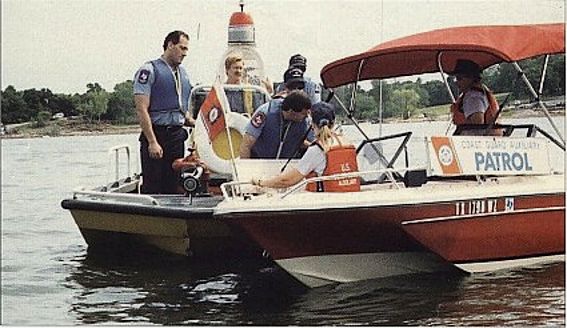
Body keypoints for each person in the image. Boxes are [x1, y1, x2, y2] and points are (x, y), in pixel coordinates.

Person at [250, 102, 360, 192]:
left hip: (325, 204)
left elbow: (287, 181)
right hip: (348, 199)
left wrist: (261, 183)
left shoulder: (317, 150)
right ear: (334, 122)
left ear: (312, 124)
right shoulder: (348, 143)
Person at [133, 30, 193, 194]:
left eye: (186, 49)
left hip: (176, 136)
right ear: (170, 45)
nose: (185, 53)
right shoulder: (148, 70)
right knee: (153, 185)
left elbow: (182, 109)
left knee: (173, 184)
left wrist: (197, 124)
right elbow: (141, 108)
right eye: (182, 48)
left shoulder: (183, 74)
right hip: (157, 133)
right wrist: (152, 141)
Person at [239, 90, 314, 159]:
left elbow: (300, 142)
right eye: (303, 113)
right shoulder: (265, 113)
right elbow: (246, 145)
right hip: (260, 162)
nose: (306, 116)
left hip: (285, 164)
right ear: (291, 112)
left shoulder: (305, 121)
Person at [450, 59, 499, 134]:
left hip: (477, 141)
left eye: (459, 78)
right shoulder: (479, 92)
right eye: (456, 78)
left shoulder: (473, 97)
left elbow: (478, 125)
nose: (456, 82)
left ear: (471, 78)